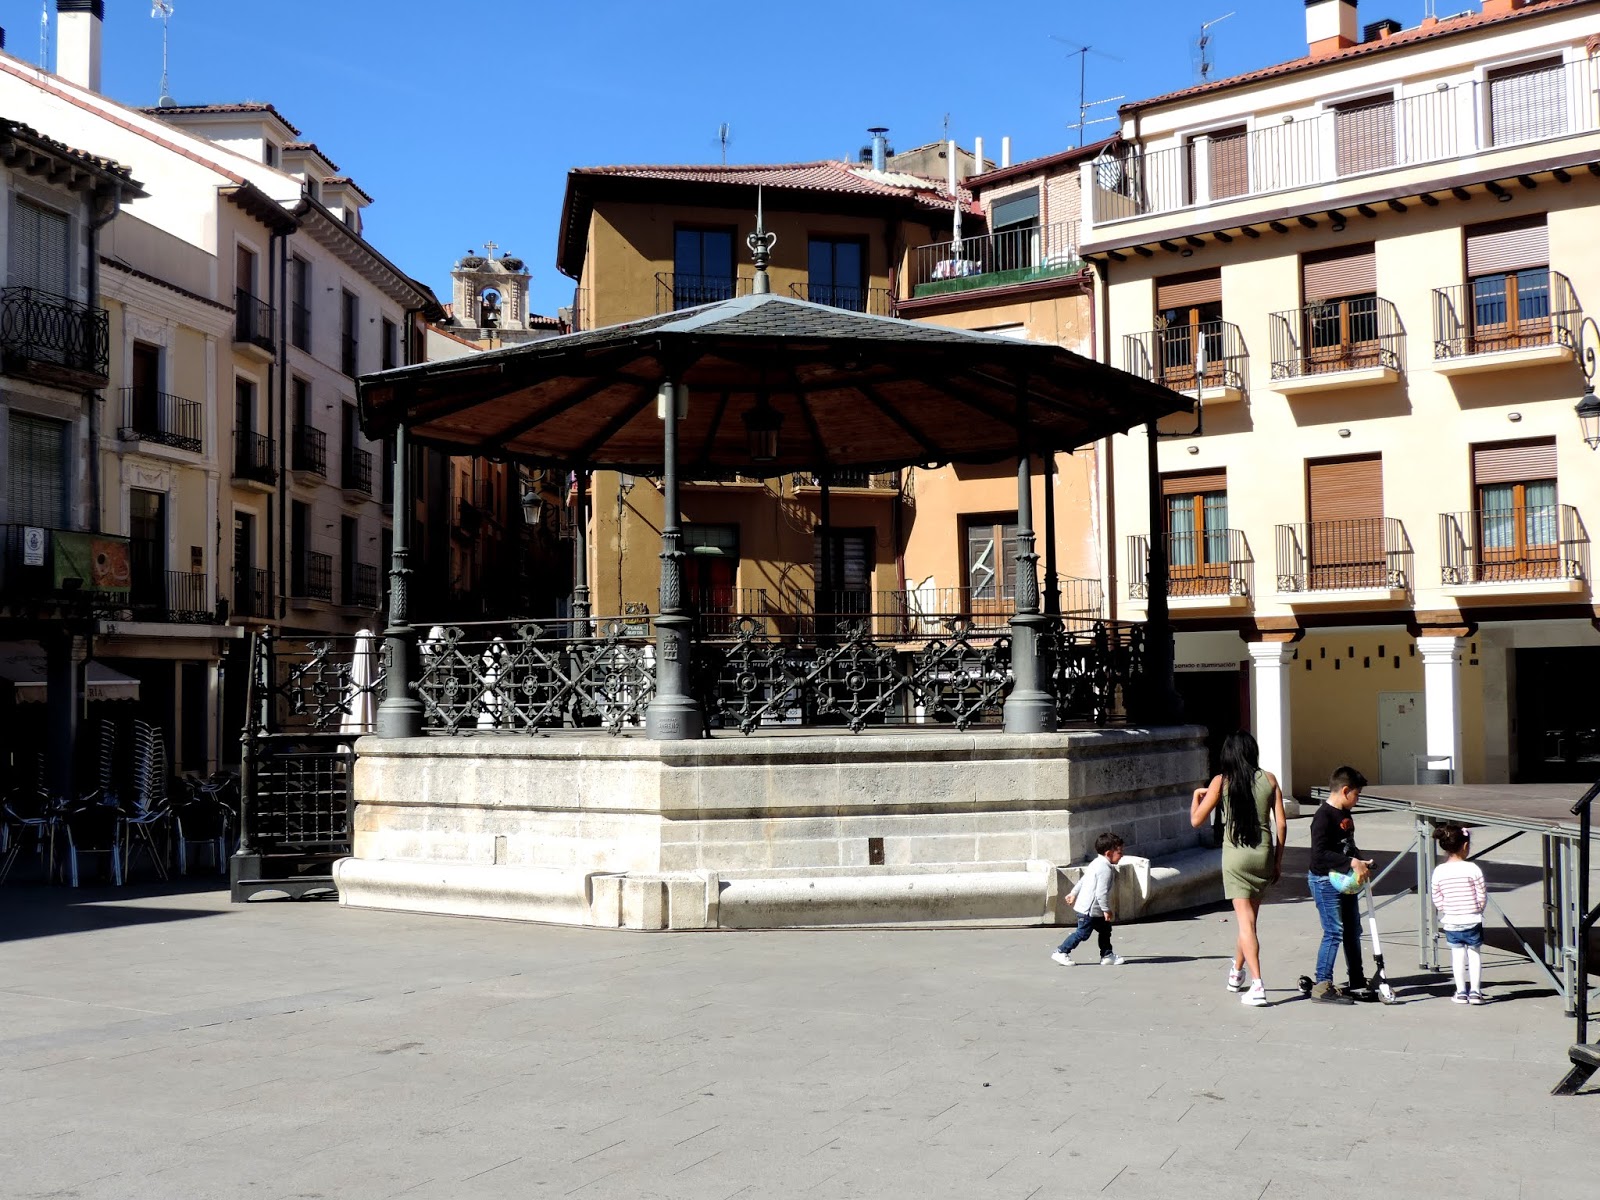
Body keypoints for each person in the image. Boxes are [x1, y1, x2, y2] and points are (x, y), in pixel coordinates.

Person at [1190, 731, 1287, 1008]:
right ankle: (1236, 972)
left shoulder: (1221, 781)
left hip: (1235, 857)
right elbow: (1281, 824)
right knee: (1249, 922)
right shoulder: (1270, 779)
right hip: (1262, 854)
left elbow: (1196, 820)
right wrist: (1278, 860)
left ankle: (1257, 985)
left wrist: (1196, 796)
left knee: (1246, 924)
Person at [1306, 766, 1375, 1004]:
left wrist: (1361, 861)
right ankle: (1322, 984)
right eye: (1356, 794)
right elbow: (1319, 855)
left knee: (1353, 930)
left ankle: (1356, 979)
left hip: (1345, 880)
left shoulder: (1345, 814)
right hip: (1324, 881)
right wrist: (1351, 862)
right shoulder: (1323, 817)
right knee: (1334, 931)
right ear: (1345, 791)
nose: (1357, 800)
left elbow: (1348, 846)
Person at [1430, 823, 1489, 1005]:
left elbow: (1436, 896)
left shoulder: (1439, 871)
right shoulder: (1473, 869)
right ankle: (1476, 992)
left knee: (1457, 956)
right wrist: (1478, 908)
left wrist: (1446, 908)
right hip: (1472, 918)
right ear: (1465, 846)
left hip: (1451, 921)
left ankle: (1461, 991)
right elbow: (1481, 893)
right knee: (1474, 954)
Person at [1051, 832, 1125, 967]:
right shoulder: (1105, 869)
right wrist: (1106, 910)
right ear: (1109, 853)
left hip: (1093, 910)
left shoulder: (1096, 863)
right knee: (1082, 933)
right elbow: (1101, 893)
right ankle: (1061, 951)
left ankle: (1107, 955)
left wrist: (1073, 893)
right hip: (1090, 911)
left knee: (1105, 930)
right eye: (1119, 852)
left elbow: (1083, 880)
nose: (1122, 855)